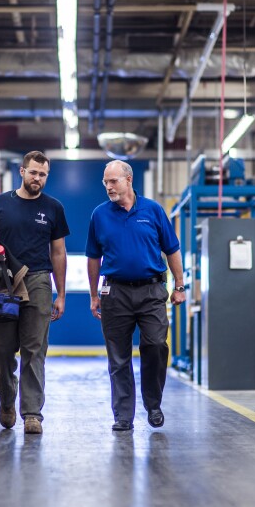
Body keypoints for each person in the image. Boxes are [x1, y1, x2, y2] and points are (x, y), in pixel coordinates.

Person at [86, 160, 186, 432]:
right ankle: (123, 416)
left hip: (152, 291)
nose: (108, 186)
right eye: (105, 182)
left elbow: (172, 248)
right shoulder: (99, 214)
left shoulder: (152, 210)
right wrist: (94, 294)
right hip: (114, 292)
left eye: (113, 181)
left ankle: (153, 404)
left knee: (156, 345)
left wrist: (179, 285)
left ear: (128, 180)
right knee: (118, 357)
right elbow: (93, 257)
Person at [0, 151, 69, 434]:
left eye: (42, 175)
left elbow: (58, 252)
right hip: (5, 282)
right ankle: (7, 397)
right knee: (1, 351)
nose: (37, 179)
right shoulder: (0, 203)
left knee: (34, 350)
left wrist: (60, 294)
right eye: (33, 173)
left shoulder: (53, 208)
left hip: (39, 281)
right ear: (22, 171)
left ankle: (32, 413)